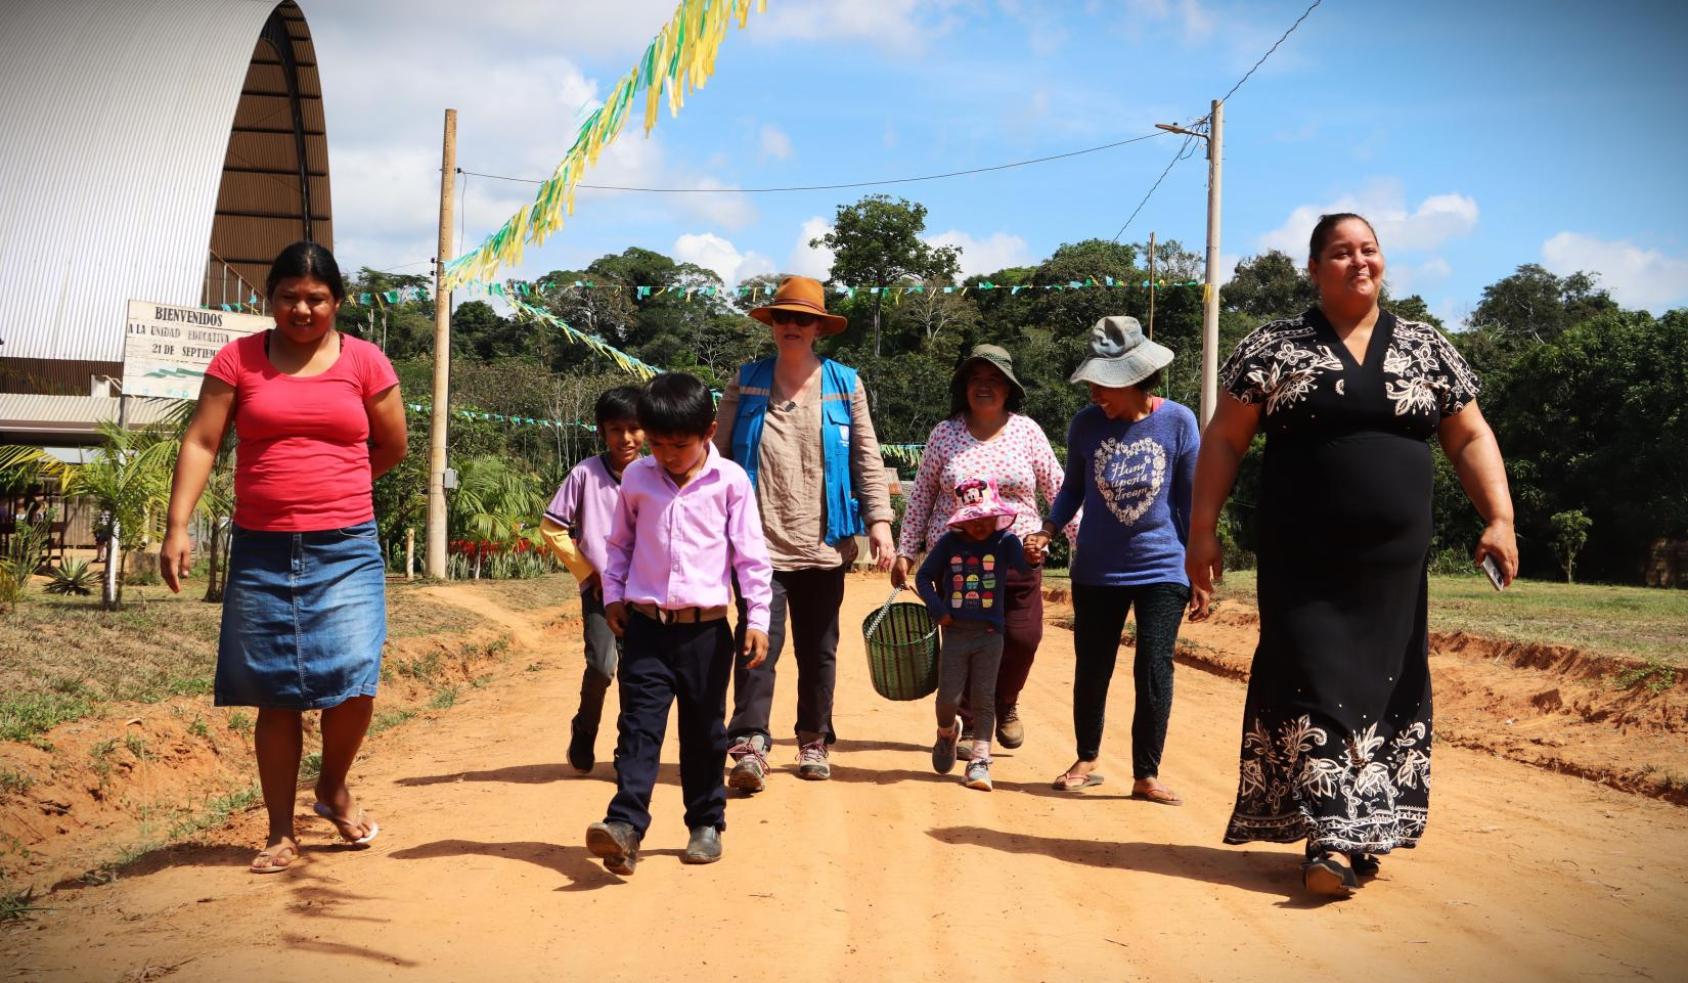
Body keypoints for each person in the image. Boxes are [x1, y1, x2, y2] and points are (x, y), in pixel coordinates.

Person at [1187, 212, 1518, 897]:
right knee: (1313, 677)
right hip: (1301, 561)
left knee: (1386, 688)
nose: (1359, 261)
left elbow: (1469, 436)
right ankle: (1331, 835)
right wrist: (1203, 527)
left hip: (1391, 570)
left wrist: (1500, 516)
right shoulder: (1273, 347)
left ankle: (1362, 829)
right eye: (1341, 252)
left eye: (1369, 250)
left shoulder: (1426, 349)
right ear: (1313, 268)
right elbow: (1224, 440)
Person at [160, 241, 406, 874]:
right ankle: (279, 832)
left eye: (316, 298)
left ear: (337, 303)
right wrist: (177, 525)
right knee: (276, 689)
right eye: (289, 297)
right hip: (261, 548)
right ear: (270, 300)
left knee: (355, 677)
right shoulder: (237, 359)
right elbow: (204, 439)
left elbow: (392, 445)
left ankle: (331, 786)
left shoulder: (366, 362)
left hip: (346, 544)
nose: (302, 309)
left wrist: (335, 484)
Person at [586, 373, 773, 875]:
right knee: (638, 729)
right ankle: (624, 827)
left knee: (704, 734)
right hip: (646, 629)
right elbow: (619, 545)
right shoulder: (637, 479)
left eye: (681, 444)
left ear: (709, 431)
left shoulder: (731, 481)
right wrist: (615, 596)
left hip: (706, 635)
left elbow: (751, 559)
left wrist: (757, 617)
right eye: (660, 443)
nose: (669, 454)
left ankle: (706, 823)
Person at [714, 275, 894, 788]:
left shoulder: (845, 383)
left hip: (825, 542)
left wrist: (879, 522)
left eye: (803, 319)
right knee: (755, 644)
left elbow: (866, 456)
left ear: (819, 328)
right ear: (772, 325)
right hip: (756, 545)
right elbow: (718, 458)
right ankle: (750, 743)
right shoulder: (746, 380)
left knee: (819, 648)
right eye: (784, 318)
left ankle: (813, 739)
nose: (792, 326)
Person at [1027, 317, 1198, 805]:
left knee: (1153, 665)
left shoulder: (1179, 421)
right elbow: (1073, 488)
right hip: (1097, 569)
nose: (1096, 392)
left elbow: (1188, 500)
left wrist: (1199, 565)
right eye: (1094, 382)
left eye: (1105, 383)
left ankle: (1146, 774)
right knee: (1093, 663)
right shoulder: (1085, 424)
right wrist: (1047, 529)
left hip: (1163, 565)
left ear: (1136, 379)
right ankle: (1087, 756)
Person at [892, 344, 1070, 755]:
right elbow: (920, 497)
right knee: (969, 640)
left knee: (1024, 638)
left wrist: (1080, 541)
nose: (984, 387)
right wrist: (907, 550)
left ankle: (1004, 703)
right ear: (964, 387)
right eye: (976, 379)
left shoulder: (1027, 431)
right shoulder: (945, 434)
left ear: (1009, 389)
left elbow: (1058, 490)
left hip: (1017, 555)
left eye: (993, 380)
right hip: (957, 561)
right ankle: (972, 722)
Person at [539, 385, 645, 773]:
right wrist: (589, 573)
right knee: (602, 666)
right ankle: (585, 729)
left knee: (637, 674)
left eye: (634, 428)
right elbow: (551, 529)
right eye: (616, 429)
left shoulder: (655, 474)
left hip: (644, 594)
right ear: (602, 431)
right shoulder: (585, 473)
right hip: (601, 592)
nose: (626, 438)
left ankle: (627, 747)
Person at [914, 476, 1032, 792]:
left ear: (996, 515)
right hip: (956, 633)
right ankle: (946, 732)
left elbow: (1024, 568)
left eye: (985, 518)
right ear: (962, 521)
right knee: (947, 699)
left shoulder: (1006, 542)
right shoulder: (949, 544)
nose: (979, 525)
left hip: (990, 634)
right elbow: (924, 577)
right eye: (972, 519)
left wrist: (1033, 553)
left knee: (983, 697)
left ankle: (979, 761)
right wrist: (938, 609)